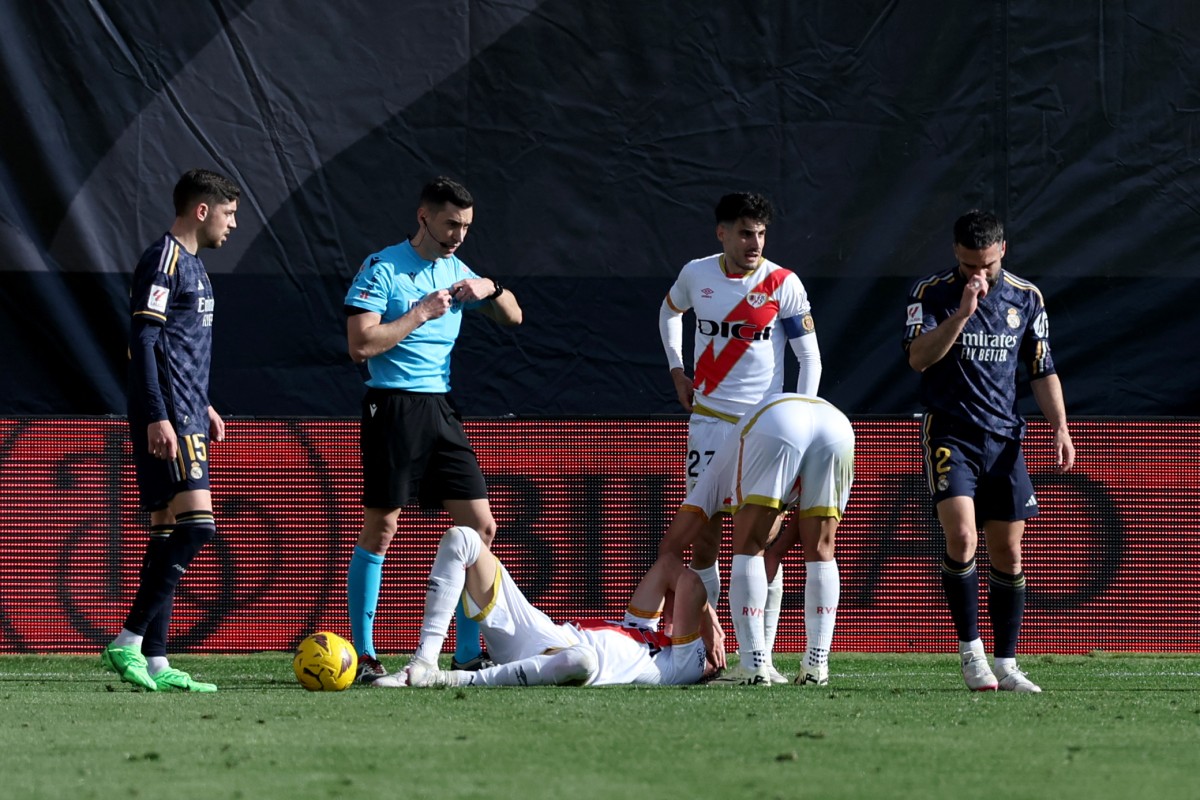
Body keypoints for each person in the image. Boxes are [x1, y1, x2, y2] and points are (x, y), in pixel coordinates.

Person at [343, 176, 522, 682]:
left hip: (441, 409)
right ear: (424, 217)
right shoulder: (383, 268)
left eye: (465, 226)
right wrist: (421, 312)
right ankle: (364, 655)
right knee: (383, 527)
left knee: (480, 529)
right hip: (393, 406)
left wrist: (494, 288)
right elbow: (361, 345)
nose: (458, 235)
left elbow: (514, 318)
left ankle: (466, 654)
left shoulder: (457, 269)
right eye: (450, 224)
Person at [903, 210, 1074, 693]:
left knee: (1010, 551)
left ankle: (1007, 661)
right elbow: (918, 359)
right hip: (950, 433)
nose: (978, 275)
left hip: (1004, 437)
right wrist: (961, 313)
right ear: (955, 254)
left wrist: (1060, 427)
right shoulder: (931, 293)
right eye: (968, 265)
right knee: (961, 537)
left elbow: (1042, 369)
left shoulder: (1026, 297)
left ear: (1003, 250)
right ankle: (970, 652)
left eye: (986, 266)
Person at [658, 192, 823, 683]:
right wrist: (677, 369)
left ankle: (762, 656)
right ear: (722, 234)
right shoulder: (696, 274)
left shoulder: (783, 283)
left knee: (762, 540)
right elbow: (669, 311)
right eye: (745, 233)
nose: (755, 243)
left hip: (764, 430)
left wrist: (797, 419)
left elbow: (809, 358)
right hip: (708, 420)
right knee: (705, 537)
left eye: (761, 234)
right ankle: (714, 648)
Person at [101, 168, 241, 692]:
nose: (232, 225)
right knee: (198, 527)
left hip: (187, 410)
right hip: (169, 415)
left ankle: (156, 659)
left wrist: (202, 403)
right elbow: (144, 341)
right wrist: (160, 414)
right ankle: (128, 640)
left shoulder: (197, 269)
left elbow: (180, 346)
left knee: (164, 533)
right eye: (228, 214)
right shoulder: (164, 260)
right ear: (201, 210)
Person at [660, 392, 855, 686]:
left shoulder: (710, 483)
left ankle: (753, 666)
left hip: (779, 421)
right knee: (822, 550)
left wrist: (704, 614)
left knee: (748, 547)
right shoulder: (736, 474)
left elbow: (669, 549)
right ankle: (817, 666)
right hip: (836, 423)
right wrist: (774, 553)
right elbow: (805, 529)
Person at [371, 526, 721, 688]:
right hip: (542, 634)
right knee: (463, 538)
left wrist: (711, 627)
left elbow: (689, 584)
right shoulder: (645, 631)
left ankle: (450, 679)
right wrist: (687, 613)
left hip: (568, 661)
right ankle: (421, 663)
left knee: (581, 660)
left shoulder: (684, 666)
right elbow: (669, 564)